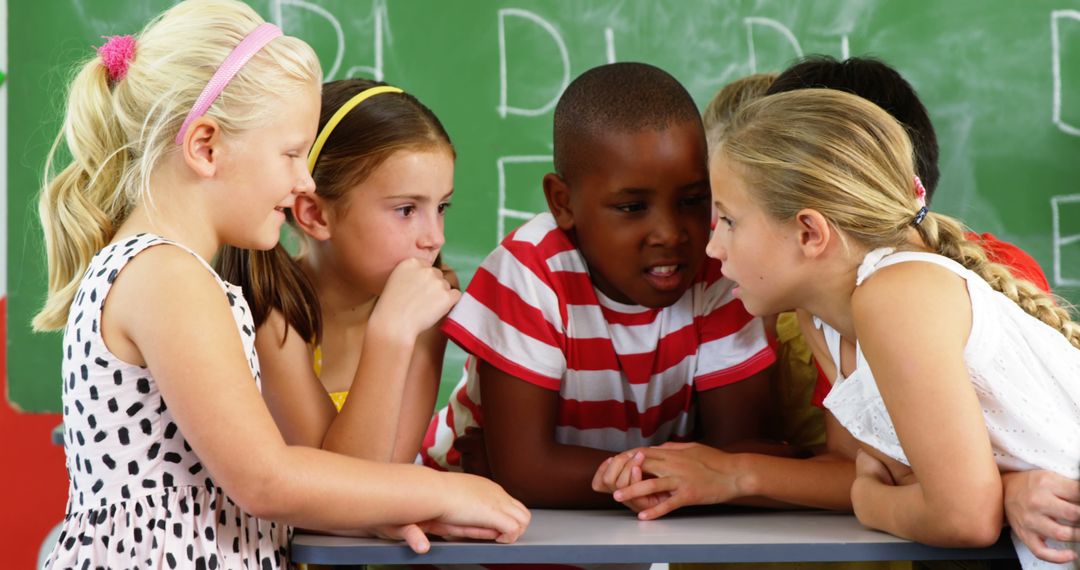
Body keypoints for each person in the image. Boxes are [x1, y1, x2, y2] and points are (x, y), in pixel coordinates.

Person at [33, 2, 528, 568]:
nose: (303, 180)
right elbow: (266, 480)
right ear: (206, 147)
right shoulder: (168, 275)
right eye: (291, 153)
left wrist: (386, 503)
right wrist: (446, 489)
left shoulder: (165, 270)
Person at [699, 88, 1077, 566]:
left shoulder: (896, 295)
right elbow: (917, 484)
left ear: (810, 233)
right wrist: (996, 491)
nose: (713, 247)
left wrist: (867, 501)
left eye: (729, 220)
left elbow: (961, 518)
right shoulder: (822, 323)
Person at [421, 62, 776, 511]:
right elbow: (527, 474)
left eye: (692, 200)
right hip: (469, 535)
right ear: (562, 202)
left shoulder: (717, 266)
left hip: (618, 531)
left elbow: (744, 454)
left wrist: (562, 471)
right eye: (631, 207)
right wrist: (693, 473)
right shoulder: (530, 271)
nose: (670, 233)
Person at [216, 78, 458, 464]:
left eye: (442, 207)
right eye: (406, 210)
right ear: (314, 214)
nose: (434, 238)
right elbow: (352, 483)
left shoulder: (427, 300)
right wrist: (391, 334)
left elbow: (390, 469)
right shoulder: (273, 311)